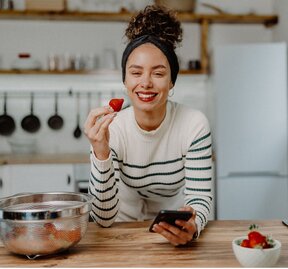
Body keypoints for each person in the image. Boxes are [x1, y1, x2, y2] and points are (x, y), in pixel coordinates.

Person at [84, 5, 213, 246]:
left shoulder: (194, 124)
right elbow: (101, 219)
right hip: (122, 224)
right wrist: (101, 153)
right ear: (124, 80)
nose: (145, 83)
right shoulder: (111, 129)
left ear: (172, 81)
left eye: (158, 73)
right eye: (136, 72)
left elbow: (200, 196)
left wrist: (193, 226)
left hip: (173, 221)